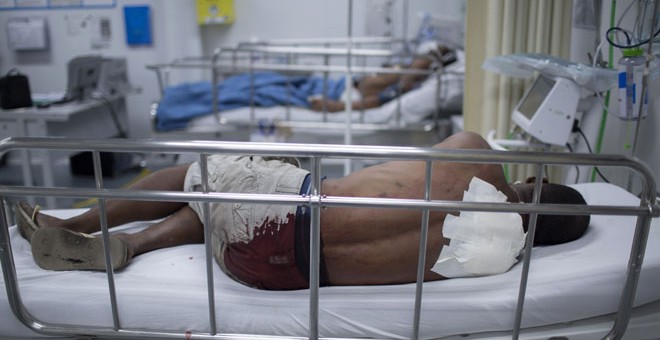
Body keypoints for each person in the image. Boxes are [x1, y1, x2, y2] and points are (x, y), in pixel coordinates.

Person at [16, 131, 590, 290]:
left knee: (198, 172)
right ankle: (131, 245)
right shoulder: (496, 265)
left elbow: (445, 156)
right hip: (272, 271)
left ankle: (70, 224)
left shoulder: (479, 157)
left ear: (535, 178)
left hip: (280, 215)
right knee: (224, 203)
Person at [307, 45, 458, 112]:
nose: (418, 59)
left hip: (342, 94)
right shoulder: (403, 72)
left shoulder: (401, 89)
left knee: (289, 87)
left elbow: (373, 102)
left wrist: (335, 106)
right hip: (343, 84)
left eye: (429, 56)